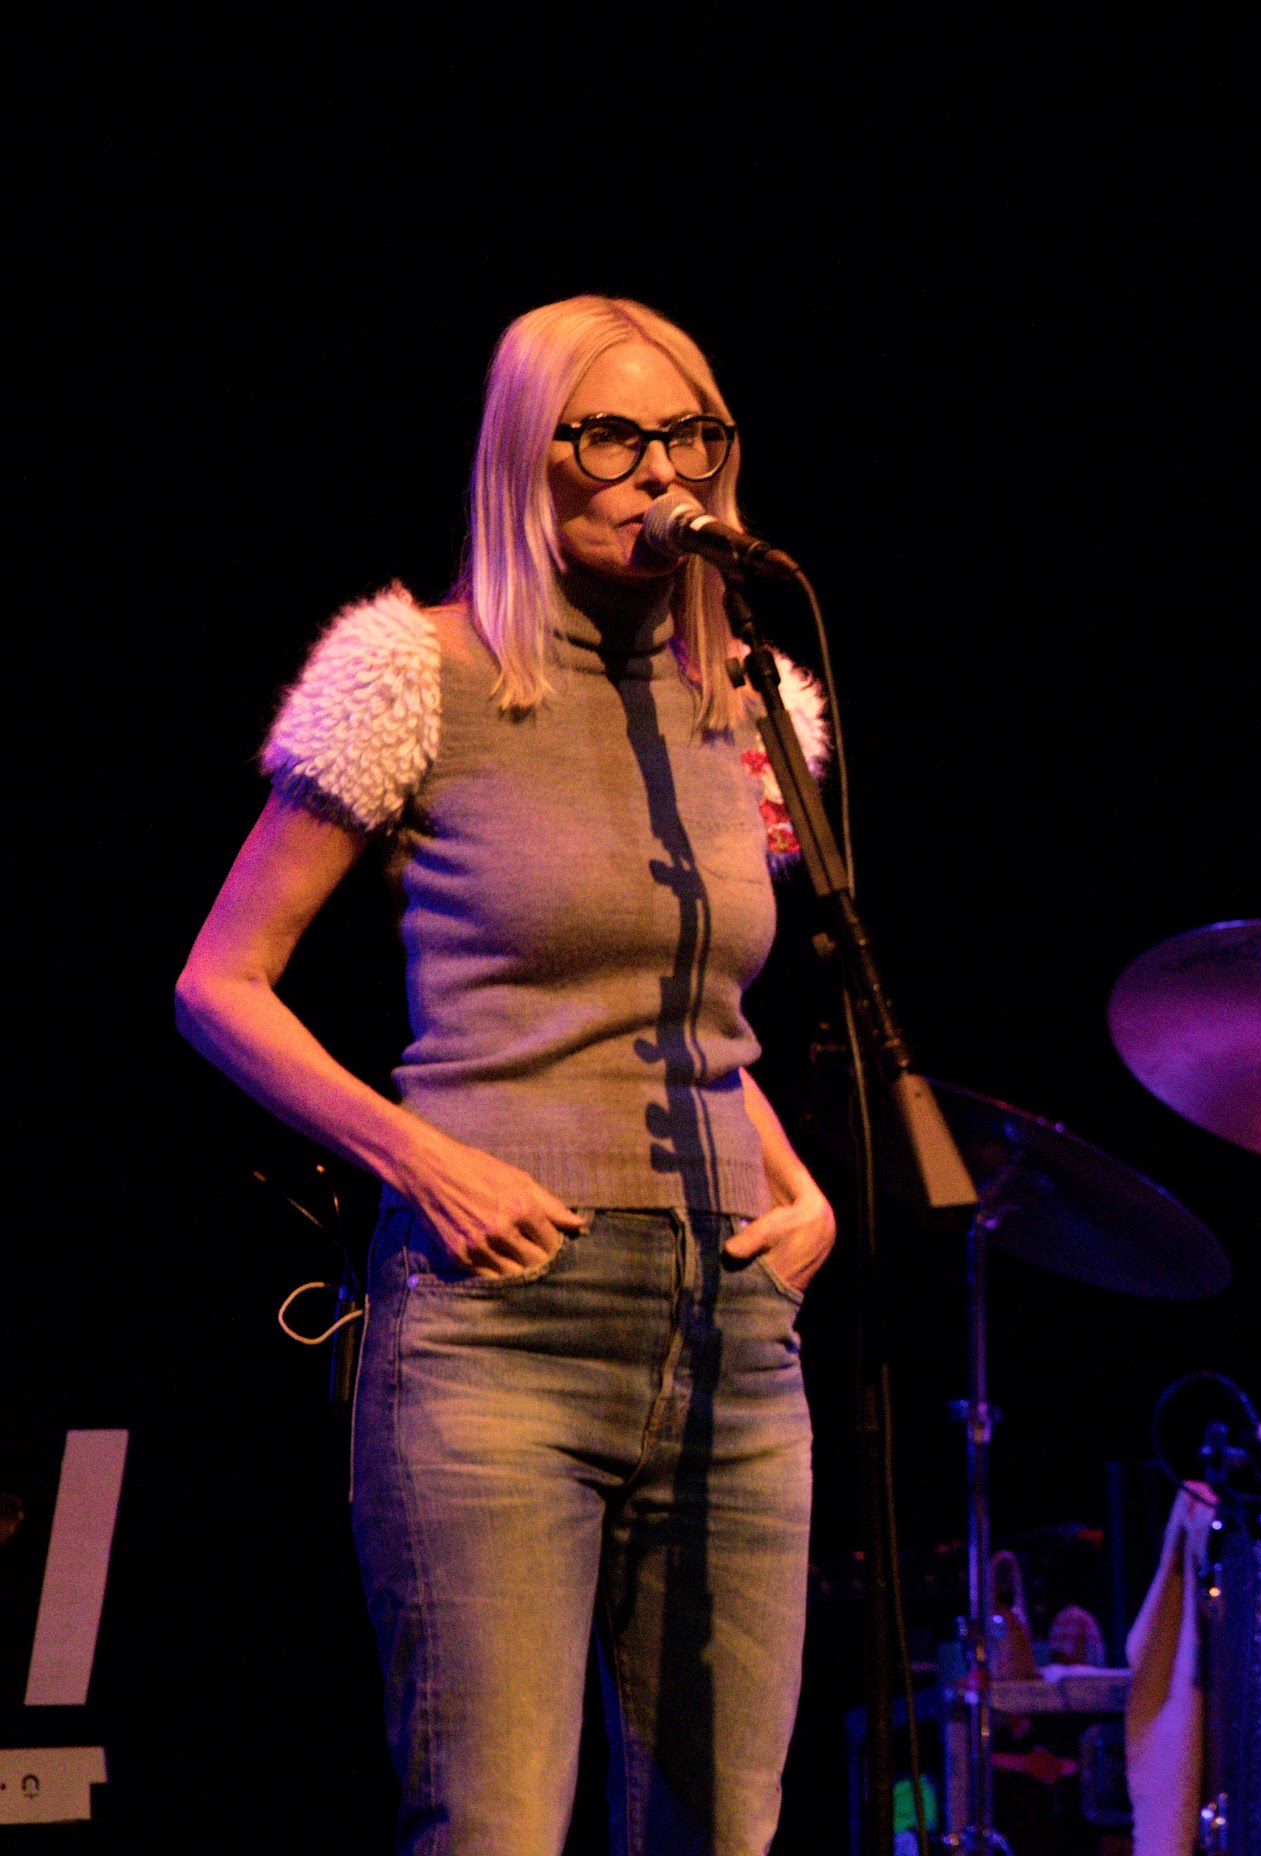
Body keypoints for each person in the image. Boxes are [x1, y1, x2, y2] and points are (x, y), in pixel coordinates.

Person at [176, 296, 838, 1853]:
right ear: (524, 459)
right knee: (492, 1824)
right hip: (501, 1328)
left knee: (723, 1828)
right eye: (611, 437)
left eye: (689, 439)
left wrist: (798, 1185)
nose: (655, 473)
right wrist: (423, 1158)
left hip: (737, 1334)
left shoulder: (758, 707)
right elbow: (221, 985)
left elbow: (691, 1012)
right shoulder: (414, 673)